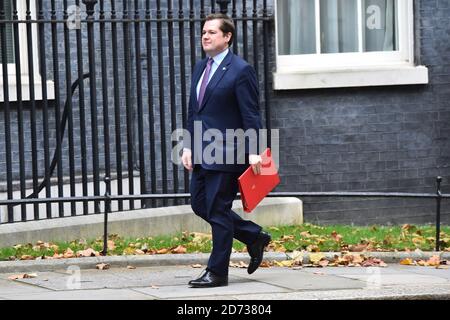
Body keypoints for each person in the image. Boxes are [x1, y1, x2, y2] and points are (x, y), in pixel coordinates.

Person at [181, 13, 271, 288]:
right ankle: (253, 236)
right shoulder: (200, 67)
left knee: (218, 209)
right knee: (200, 204)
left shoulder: (240, 70)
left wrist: (255, 150)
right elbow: (194, 111)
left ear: (227, 36)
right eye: (203, 32)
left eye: (211, 32)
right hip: (202, 151)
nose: (205, 36)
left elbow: (251, 114)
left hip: (228, 150)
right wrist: (187, 145)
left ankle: (217, 272)